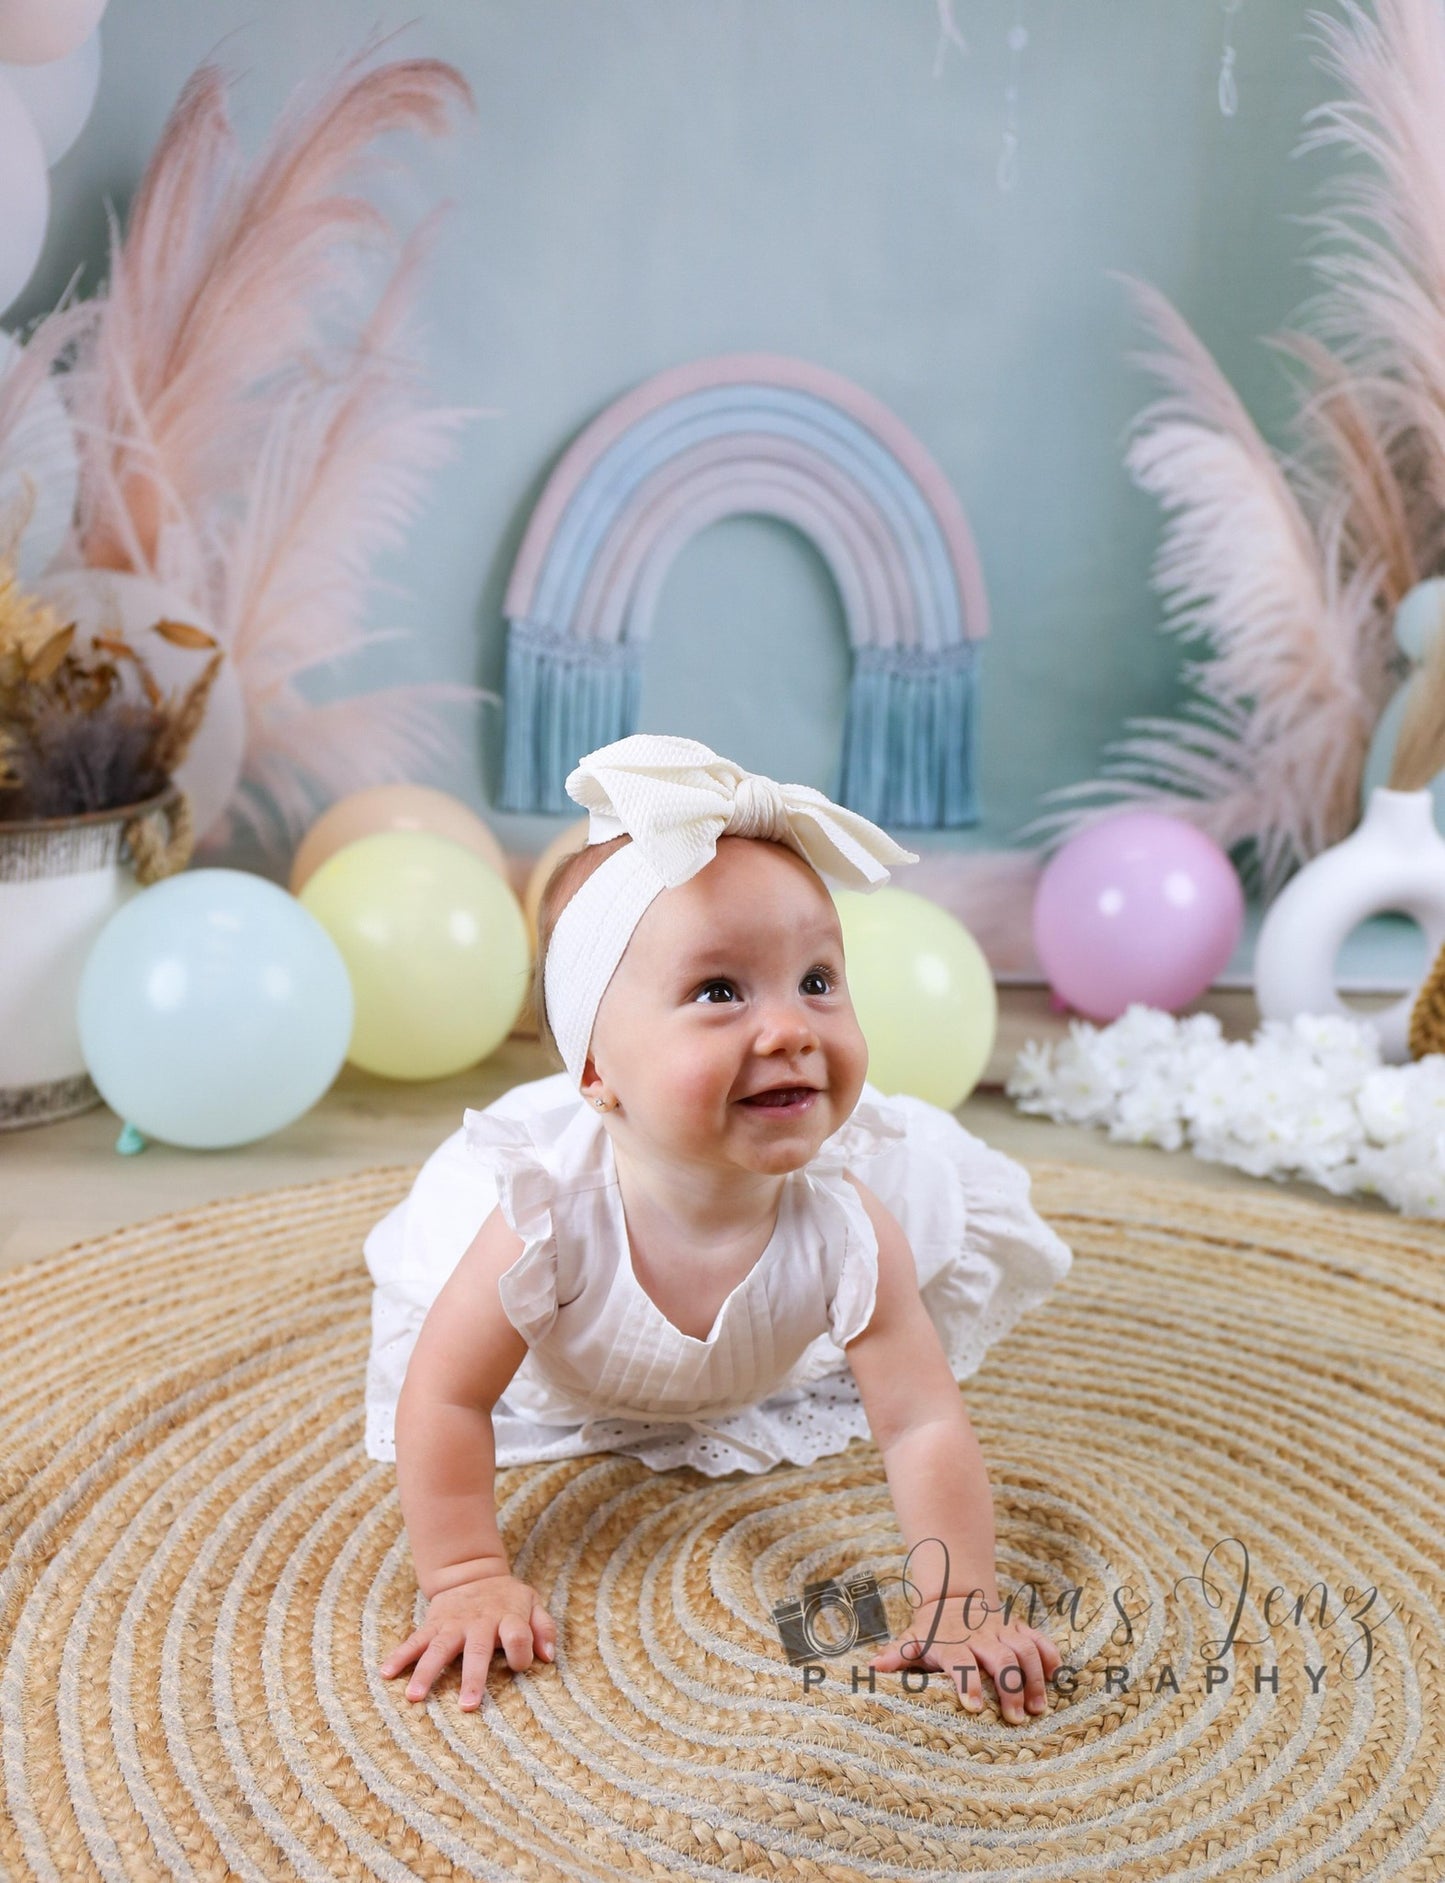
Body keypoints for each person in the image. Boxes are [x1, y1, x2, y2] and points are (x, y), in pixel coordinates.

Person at [365, 734, 1073, 1722]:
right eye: (718, 991)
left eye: (816, 980)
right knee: (447, 1306)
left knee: (917, 1217)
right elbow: (444, 1396)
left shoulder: (845, 1220)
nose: (788, 1028)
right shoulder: (544, 1216)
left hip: (759, 1349)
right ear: (597, 1072)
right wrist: (466, 1572)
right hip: (573, 1356)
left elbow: (919, 1419)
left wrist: (956, 1597)